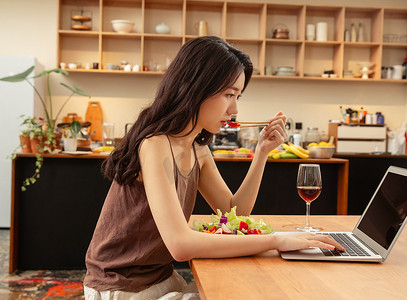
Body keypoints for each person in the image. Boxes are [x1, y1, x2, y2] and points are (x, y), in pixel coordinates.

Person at [83, 36, 344, 300]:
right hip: (119, 287)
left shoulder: (197, 148)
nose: (234, 109)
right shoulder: (155, 144)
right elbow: (180, 245)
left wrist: (262, 152)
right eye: (228, 94)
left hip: (159, 278)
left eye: (238, 96)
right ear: (195, 88)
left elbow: (234, 211)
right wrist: (277, 240)